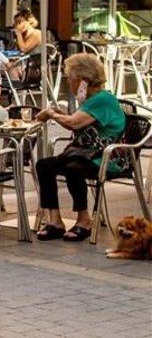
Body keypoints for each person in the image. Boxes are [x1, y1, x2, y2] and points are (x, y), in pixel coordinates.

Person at [34, 54, 127, 243]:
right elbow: (76, 123)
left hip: (105, 158)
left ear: (83, 80)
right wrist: (61, 115)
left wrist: (52, 113)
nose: (69, 82)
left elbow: (75, 123)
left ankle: (84, 220)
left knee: (73, 168)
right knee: (44, 165)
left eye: (71, 78)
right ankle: (55, 220)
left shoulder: (103, 99)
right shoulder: (91, 100)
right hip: (85, 153)